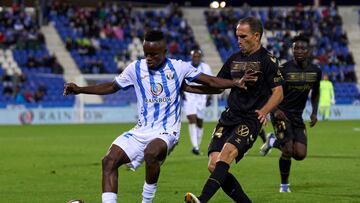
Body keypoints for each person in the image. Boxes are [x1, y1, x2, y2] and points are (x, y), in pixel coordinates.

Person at [63, 30, 255, 203]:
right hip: (141, 130)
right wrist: (80, 89)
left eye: (154, 54)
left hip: (167, 131)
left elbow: (211, 81)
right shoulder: (135, 68)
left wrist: (234, 83)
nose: (149, 58)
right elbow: (111, 87)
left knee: (151, 153)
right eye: (146, 54)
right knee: (109, 161)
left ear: (164, 52)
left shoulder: (179, 68)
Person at [184, 17, 284, 203]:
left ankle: (202, 199)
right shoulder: (234, 58)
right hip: (229, 116)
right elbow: (217, 85)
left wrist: (264, 111)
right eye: (237, 36)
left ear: (256, 36)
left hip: (250, 119)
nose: (238, 40)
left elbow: (278, 93)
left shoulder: (268, 60)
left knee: (227, 154)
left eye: (242, 36)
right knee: (214, 165)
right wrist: (189, 87)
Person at [259, 35, 321, 193]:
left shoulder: (315, 71)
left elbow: (316, 92)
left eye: (302, 48)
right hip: (281, 113)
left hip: (297, 116)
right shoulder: (283, 69)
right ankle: (284, 186)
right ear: (292, 50)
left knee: (300, 154)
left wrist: (314, 112)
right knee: (287, 150)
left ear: (309, 51)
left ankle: (272, 141)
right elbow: (268, 92)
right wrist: (275, 110)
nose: (299, 51)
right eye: (296, 48)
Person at [183, 48, 213, 155]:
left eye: (197, 56)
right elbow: (180, 80)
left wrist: (209, 97)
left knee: (199, 122)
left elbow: (210, 82)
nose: (195, 58)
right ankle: (195, 147)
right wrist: (181, 93)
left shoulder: (206, 67)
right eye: (193, 56)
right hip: (189, 95)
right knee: (192, 118)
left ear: (200, 57)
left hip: (201, 96)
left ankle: (197, 145)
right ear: (191, 57)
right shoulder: (185, 66)